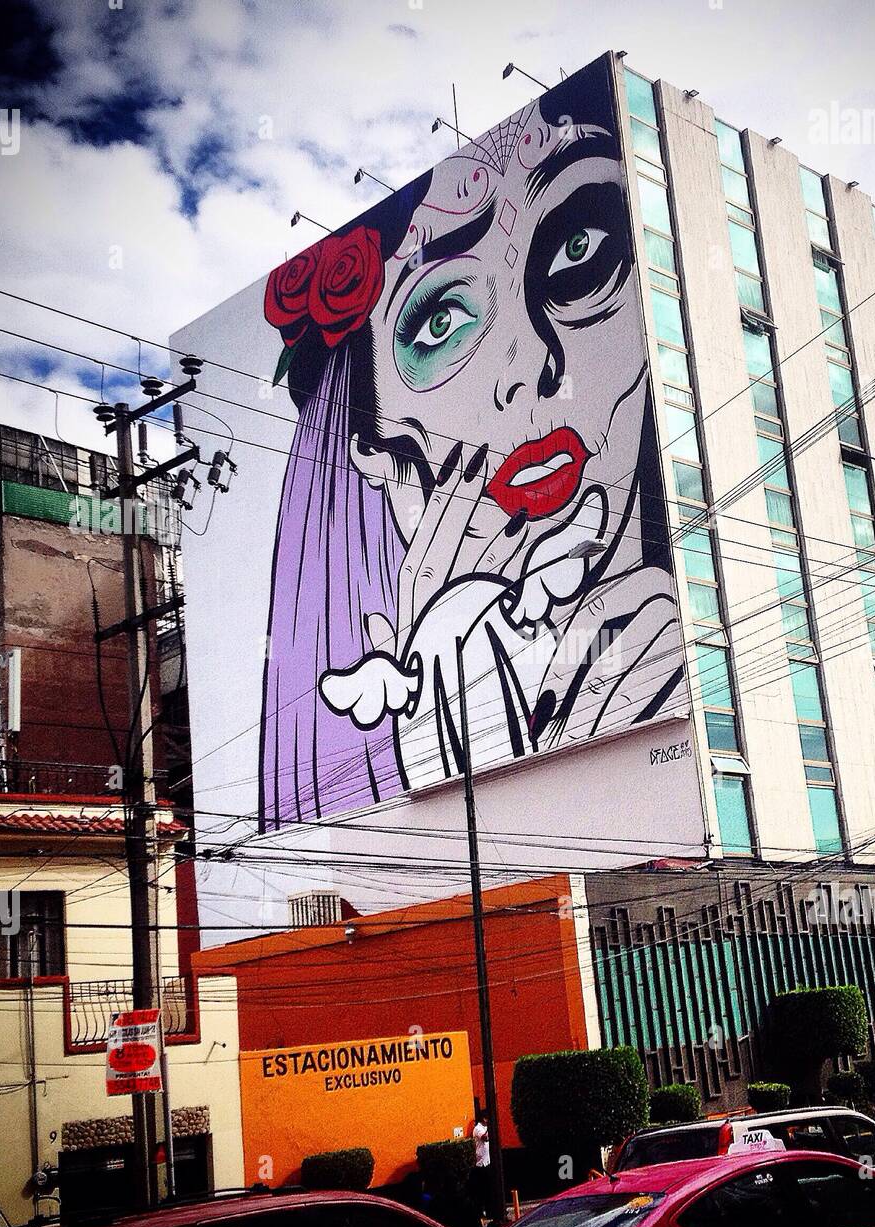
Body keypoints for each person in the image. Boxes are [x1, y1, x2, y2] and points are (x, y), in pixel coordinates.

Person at [257, 56, 685, 829]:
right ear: (372, 443)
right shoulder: (416, 689)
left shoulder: (671, 651)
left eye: (577, 250)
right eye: (441, 322)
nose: (530, 369)